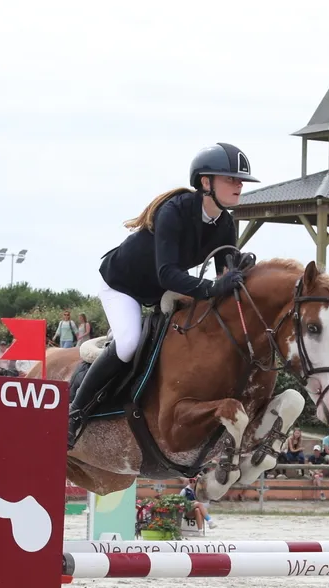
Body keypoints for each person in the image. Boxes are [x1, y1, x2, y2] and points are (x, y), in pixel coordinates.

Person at [70, 142, 258, 446]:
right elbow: (167, 273)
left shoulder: (225, 223)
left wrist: (240, 276)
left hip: (160, 291)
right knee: (129, 343)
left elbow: (225, 279)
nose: (238, 185)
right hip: (123, 285)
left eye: (240, 181)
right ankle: (75, 413)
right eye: (231, 179)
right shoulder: (175, 211)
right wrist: (211, 288)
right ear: (206, 182)